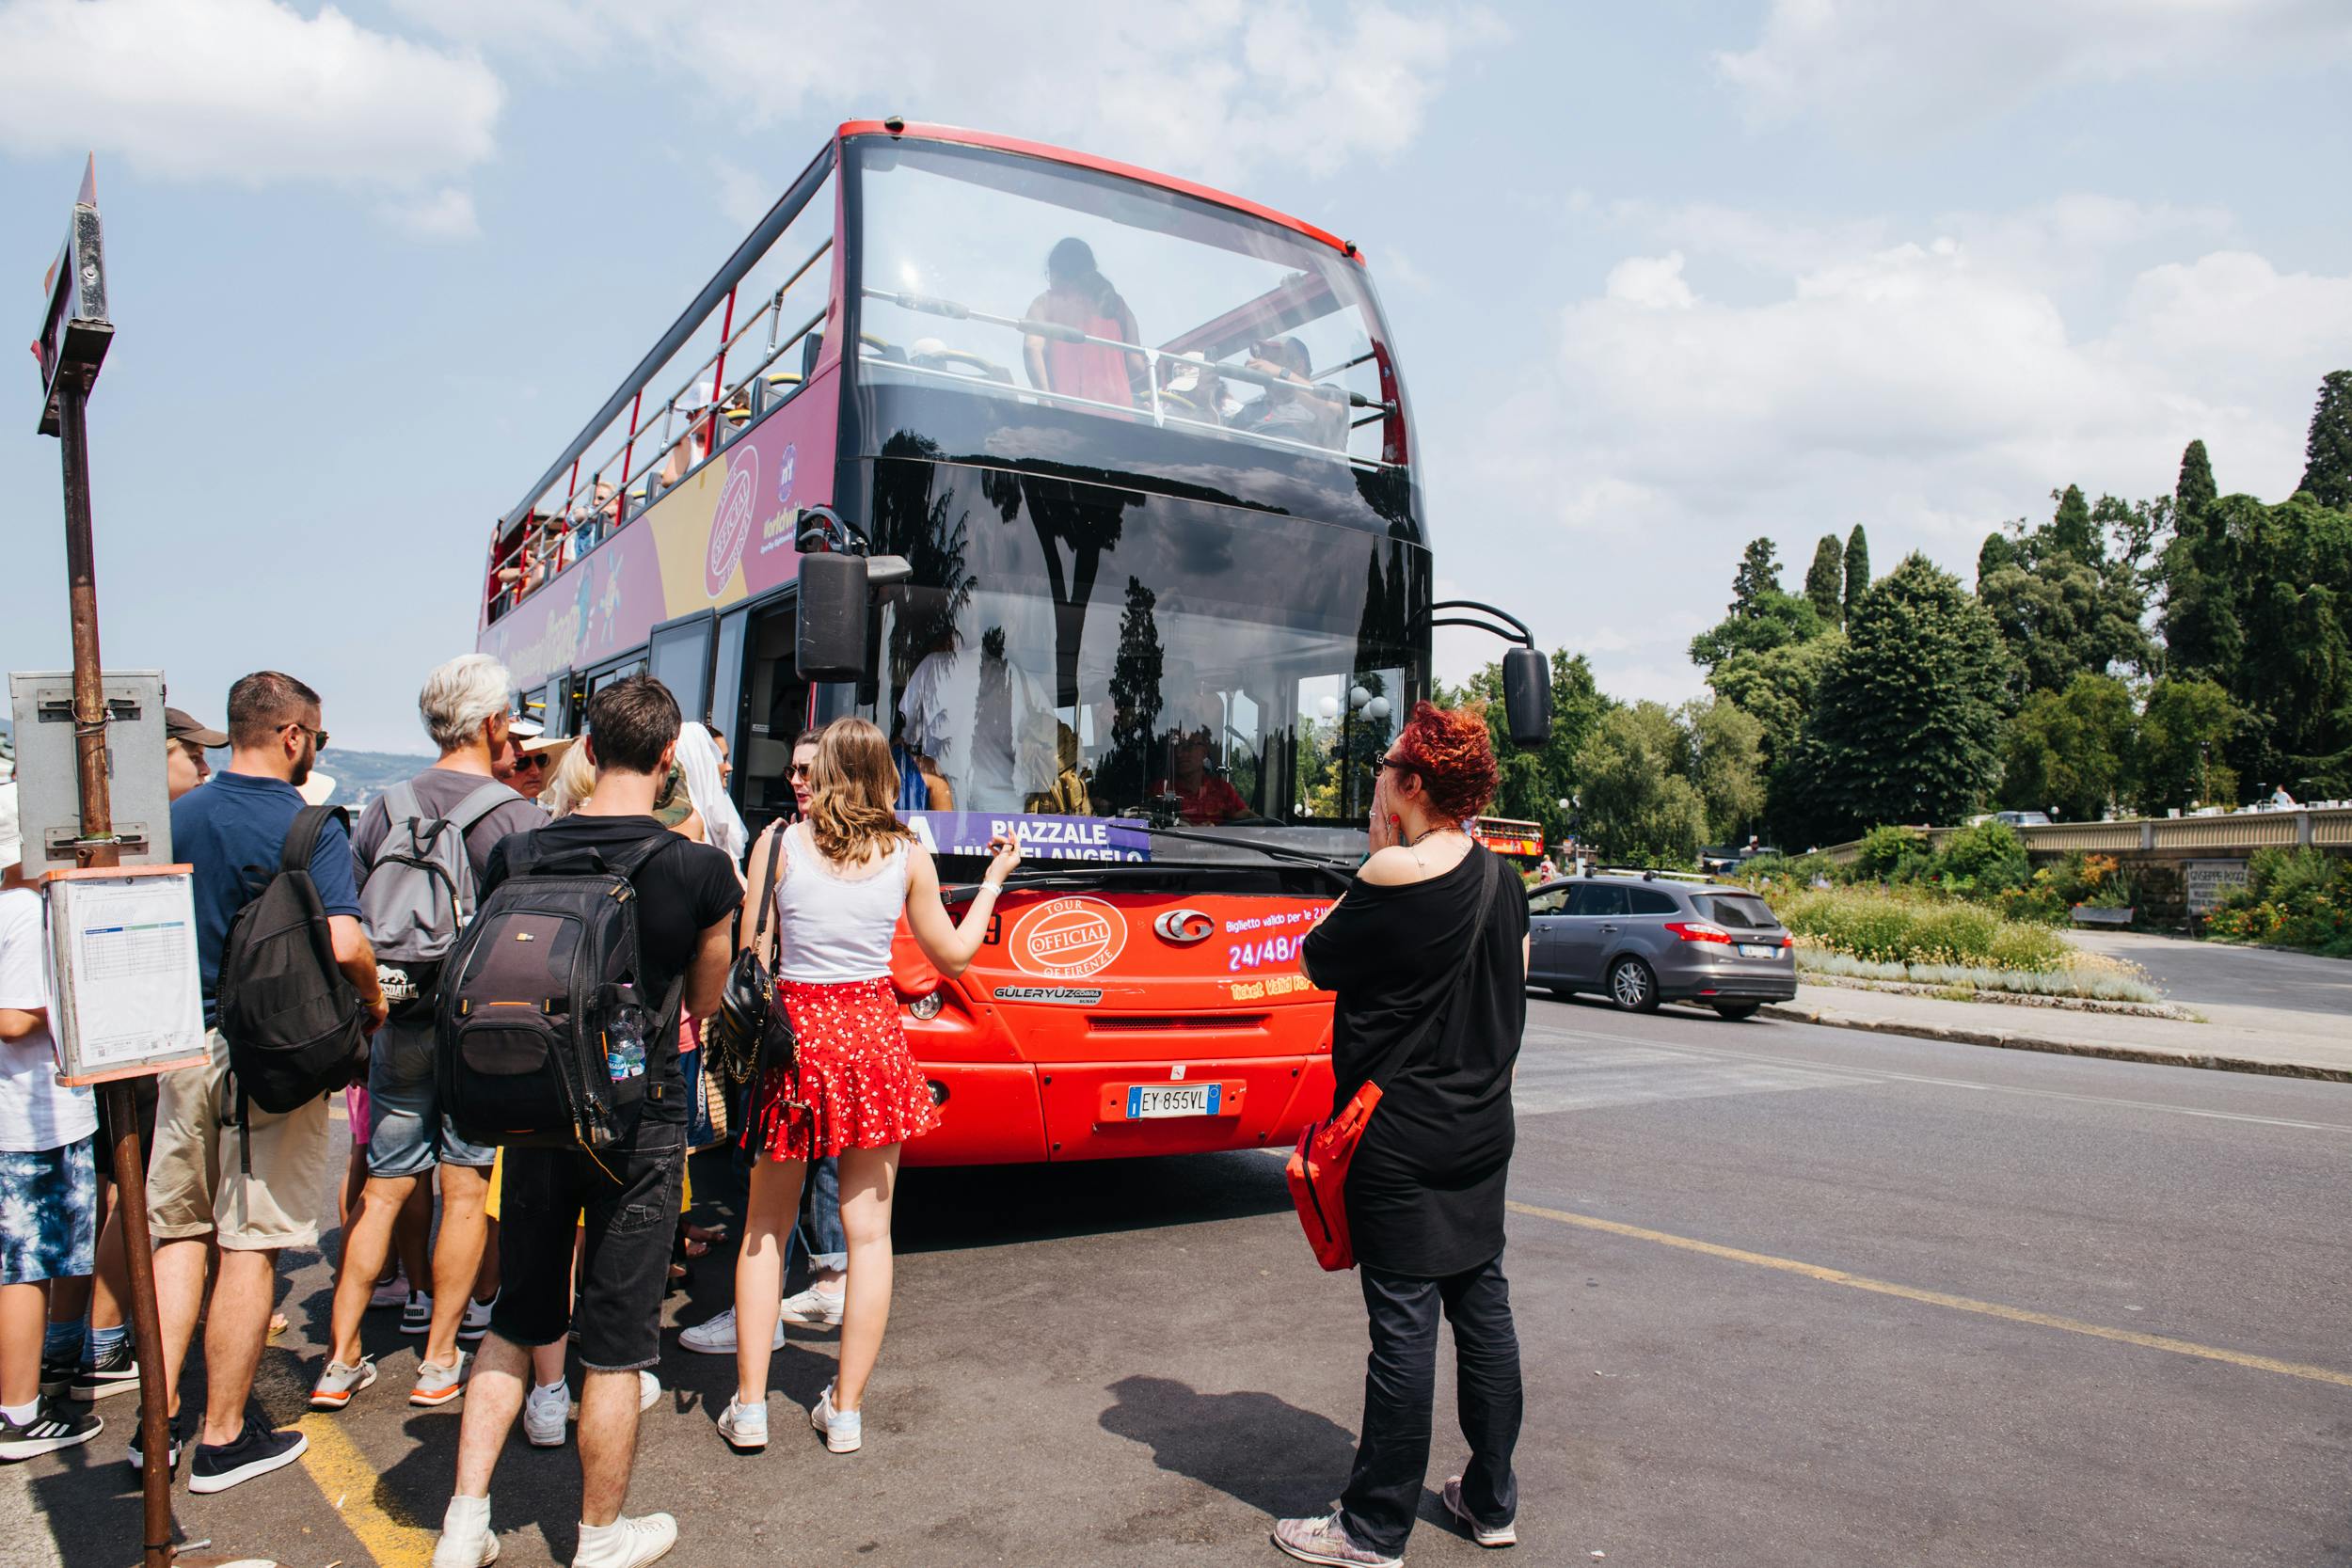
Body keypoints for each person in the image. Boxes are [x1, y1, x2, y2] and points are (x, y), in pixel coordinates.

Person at [433, 675, 739, 1568]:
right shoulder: (698, 870)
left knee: (518, 1316)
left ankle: (463, 1524)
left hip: (531, 1111)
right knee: (614, 1344)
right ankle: (600, 1536)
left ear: (589, 750)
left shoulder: (517, 855)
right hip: (637, 1123)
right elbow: (709, 1000)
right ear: (671, 758)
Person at [715, 718, 1020, 1456]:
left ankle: (751, 1406)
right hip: (873, 1039)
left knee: (765, 1229)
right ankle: (845, 1410)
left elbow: (753, 954)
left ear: (823, 776)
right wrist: (992, 884)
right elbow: (949, 955)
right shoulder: (907, 854)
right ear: (884, 776)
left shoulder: (777, 844)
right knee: (871, 1236)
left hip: (795, 1038)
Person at [1276, 702, 1529, 1567]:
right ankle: (1491, 1500)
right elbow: (1512, 1007)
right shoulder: (1506, 882)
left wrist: (1375, 853)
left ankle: (1373, 1526)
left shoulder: (1391, 873)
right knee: (1483, 1307)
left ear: (1414, 783)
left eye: (1386, 768)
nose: (1377, 780)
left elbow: (1317, 956)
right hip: (1483, 1128)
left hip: (1399, 1138)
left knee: (1405, 1323)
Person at [148, 672, 387, 1491]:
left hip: (182, 1048)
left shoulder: (175, 818)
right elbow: (350, 944)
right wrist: (373, 1000)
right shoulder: (309, 824)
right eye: (315, 736)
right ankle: (221, 1436)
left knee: (178, 1234)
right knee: (248, 1241)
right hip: (269, 1060)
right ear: (292, 735)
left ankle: (159, 1423)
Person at [312, 656, 546, 1415]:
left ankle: (339, 1358)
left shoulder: (384, 804)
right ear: (492, 723)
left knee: (383, 1190)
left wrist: (376, 1001)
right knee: (465, 1188)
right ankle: (440, 1358)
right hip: (473, 1030)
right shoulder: (514, 815)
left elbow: (344, 917)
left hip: (399, 1015)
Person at [0, 783, 103, 1462]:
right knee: (27, 1263)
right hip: (30, 1110)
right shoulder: (21, 910)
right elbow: (12, 1018)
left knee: (41, 1257)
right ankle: (18, 1409)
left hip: (31, 1108)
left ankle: (35, 1382)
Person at [1022, 236, 1142, 407]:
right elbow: (1137, 365)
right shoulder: (1117, 305)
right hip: (1118, 413)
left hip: (1069, 413)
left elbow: (1031, 347)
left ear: (1056, 272)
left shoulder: (1045, 303)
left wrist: (1045, 400)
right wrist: (1114, 384)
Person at [1150, 724, 1250, 825]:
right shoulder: (1162, 789)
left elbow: (1245, 817)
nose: (1179, 753)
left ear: (1204, 752)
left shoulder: (1222, 790)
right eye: (1176, 746)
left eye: (1188, 746)